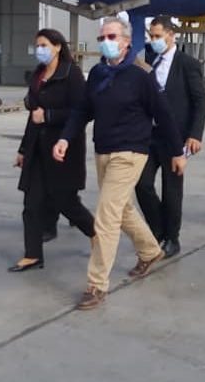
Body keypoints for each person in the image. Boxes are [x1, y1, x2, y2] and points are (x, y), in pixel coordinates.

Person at [54, 17, 186, 310]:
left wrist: (177, 152)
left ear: (127, 42)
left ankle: (96, 284)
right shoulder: (98, 74)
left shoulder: (140, 76)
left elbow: (163, 114)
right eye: (102, 38)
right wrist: (65, 138)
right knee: (121, 208)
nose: (106, 43)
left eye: (112, 37)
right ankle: (150, 250)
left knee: (106, 216)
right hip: (103, 150)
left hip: (130, 152)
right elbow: (83, 110)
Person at [10, 29, 95, 272]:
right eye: (37, 45)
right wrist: (23, 149)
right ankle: (32, 255)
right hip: (37, 149)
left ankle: (96, 234)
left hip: (63, 148)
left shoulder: (71, 74)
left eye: (44, 45)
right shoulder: (38, 74)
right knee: (31, 203)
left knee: (65, 201)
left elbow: (82, 112)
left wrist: (49, 115)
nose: (39, 50)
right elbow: (33, 117)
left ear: (58, 47)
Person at [134, 17, 205, 258]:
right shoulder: (152, 61)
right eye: (151, 36)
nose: (154, 40)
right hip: (150, 135)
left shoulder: (187, 64)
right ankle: (158, 227)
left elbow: (200, 101)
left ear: (171, 35)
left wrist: (195, 134)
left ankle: (172, 237)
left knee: (172, 188)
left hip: (176, 137)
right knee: (142, 183)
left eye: (158, 36)